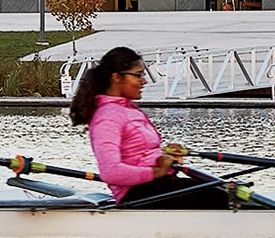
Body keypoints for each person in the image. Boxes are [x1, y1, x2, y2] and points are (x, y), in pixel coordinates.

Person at [69, 46, 229, 208]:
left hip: (156, 186)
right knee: (220, 197)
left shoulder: (130, 110)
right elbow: (111, 172)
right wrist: (157, 171)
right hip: (135, 194)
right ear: (117, 77)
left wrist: (166, 157)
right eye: (138, 75)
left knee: (228, 192)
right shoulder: (107, 117)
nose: (144, 81)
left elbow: (141, 155)